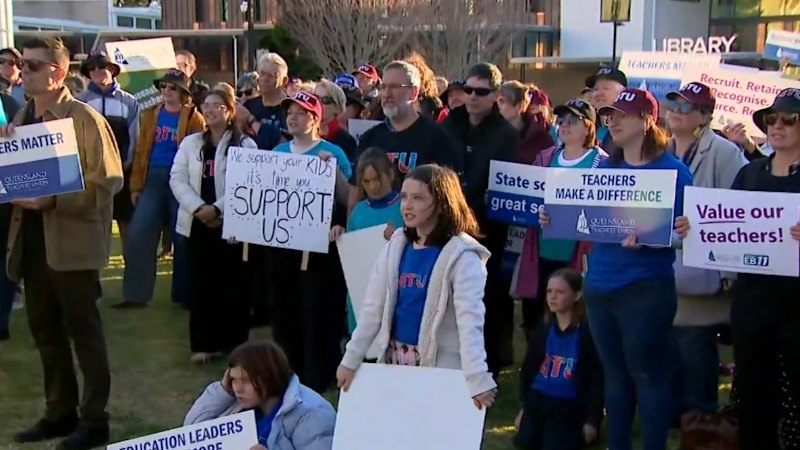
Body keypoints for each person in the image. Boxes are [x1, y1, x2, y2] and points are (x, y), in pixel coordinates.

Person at [544, 88, 691, 450]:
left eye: (623, 116)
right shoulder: (606, 168)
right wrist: (552, 217)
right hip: (600, 284)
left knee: (647, 374)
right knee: (614, 373)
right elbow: (581, 218)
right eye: (610, 115)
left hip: (646, 288)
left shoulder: (673, 170)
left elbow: (688, 234)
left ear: (647, 121)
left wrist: (656, 238)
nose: (613, 122)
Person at [2, 36, 123, 450]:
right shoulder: (22, 116)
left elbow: (107, 182)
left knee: (84, 334)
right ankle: (59, 413)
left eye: (32, 66)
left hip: (72, 244)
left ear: (56, 73)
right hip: (31, 240)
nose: (23, 72)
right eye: (22, 64)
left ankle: (95, 421)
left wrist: (53, 199)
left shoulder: (84, 119)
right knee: (45, 332)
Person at [337, 164, 498, 409]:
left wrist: (477, 377)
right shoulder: (396, 246)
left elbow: (470, 321)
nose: (407, 205)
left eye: (418, 198)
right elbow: (372, 310)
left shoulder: (463, 256)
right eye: (404, 197)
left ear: (442, 203)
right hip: (394, 362)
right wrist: (350, 360)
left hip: (440, 367)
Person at [720, 87, 800, 449]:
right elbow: (723, 222)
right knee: (754, 396)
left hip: (796, 306)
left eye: (789, 119)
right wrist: (697, 229)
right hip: (752, 302)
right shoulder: (750, 174)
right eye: (771, 119)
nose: (777, 125)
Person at [663, 82, 746, 417]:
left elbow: (737, 211)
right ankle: (675, 413)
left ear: (705, 116)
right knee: (670, 345)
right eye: (673, 105)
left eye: (686, 107)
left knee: (695, 344)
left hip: (703, 270)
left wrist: (729, 272)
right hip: (665, 266)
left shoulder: (724, 153)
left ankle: (700, 414)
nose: (676, 112)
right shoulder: (662, 149)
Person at [267, 91, 351, 393]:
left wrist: (334, 172)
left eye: (299, 113)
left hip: (319, 249)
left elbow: (348, 198)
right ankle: (289, 371)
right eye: (289, 112)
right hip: (283, 248)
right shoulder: (277, 152)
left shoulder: (333, 152)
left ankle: (319, 373)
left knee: (318, 310)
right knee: (285, 310)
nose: (292, 118)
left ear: (315, 119)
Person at [441, 62, 519, 379]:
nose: (472, 96)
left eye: (481, 92)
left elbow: (502, 183)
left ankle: (490, 363)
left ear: (496, 95)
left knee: (487, 297)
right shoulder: (450, 124)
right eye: (468, 89)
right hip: (449, 222)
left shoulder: (506, 134)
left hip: (487, 229)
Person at [170, 89, 257, 363]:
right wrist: (198, 208)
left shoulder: (246, 146)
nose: (208, 110)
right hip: (196, 223)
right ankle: (204, 344)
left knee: (233, 285)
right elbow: (177, 178)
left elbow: (247, 184)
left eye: (216, 105)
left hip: (231, 225)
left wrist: (217, 209)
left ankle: (234, 345)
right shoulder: (191, 143)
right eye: (205, 105)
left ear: (229, 111)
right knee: (201, 284)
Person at [513, 98, 605, 333]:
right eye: (561, 119)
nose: (563, 125)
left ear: (588, 127)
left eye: (572, 120)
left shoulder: (602, 164)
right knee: (536, 318)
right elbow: (529, 198)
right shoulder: (546, 157)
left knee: (573, 318)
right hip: (541, 251)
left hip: (578, 255)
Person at [120, 68, 205, 308]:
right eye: (163, 87)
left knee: (183, 238)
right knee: (138, 234)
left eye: (172, 88)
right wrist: (136, 185)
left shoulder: (194, 118)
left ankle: (184, 295)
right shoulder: (149, 114)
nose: (166, 91)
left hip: (182, 180)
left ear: (183, 93)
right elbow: (140, 152)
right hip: (153, 179)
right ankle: (136, 295)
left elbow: (198, 155)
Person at [184, 341, 336, 450]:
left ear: (269, 377)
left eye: (246, 380)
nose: (238, 389)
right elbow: (191, 435)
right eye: (234, 379)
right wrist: (222, 391)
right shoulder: (236, 400)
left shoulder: (312, 414)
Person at [514, 269, 604, 450]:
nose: (553, 297)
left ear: (577, 295)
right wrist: (524, 407)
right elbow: (529, 369)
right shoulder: (543, 329)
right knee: (526, 442)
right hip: (539, 396)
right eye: (549, 291)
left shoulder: (588, 332)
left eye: (560, 292)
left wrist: (592, 420)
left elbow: (596, 377)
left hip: (567, 401)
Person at [352, 60, 461, 209]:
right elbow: (356, 188)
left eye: (394, 87)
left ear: (413, 93)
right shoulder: (370, 138)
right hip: (376, 221)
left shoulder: (437, 138)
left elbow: (450, 195)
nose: (387, 94)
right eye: (383, 87)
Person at [330, 148, 403, 333]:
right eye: (366, 181)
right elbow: (353, 255)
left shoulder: (404, 208)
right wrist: (341, 234)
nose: (373, 187)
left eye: (377, 179)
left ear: (391, 174)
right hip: (363, 297)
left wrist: (400, 236)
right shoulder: (358, 211)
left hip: (396, 296)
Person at [75, 51, 140, 259]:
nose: (97, 71)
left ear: (112, 70)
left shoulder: (129, 101)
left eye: (102, 66)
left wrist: (125, 164)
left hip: (121, 172)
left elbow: (134, 136)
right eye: (92, 68)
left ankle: (132, 273)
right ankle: (93, 274)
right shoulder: (80, 102)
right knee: (92, 227)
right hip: (90, 175)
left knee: (126, 225)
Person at [238, 52, 289, 150]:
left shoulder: (292, 108)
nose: (265, 79)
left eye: (272, 75)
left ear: (284, 81)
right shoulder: (248, 106)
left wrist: (251, 120)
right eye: (262, 74)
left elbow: (288, 142)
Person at [497, 80, 555, 164]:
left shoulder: (541, 139)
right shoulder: (491, 134)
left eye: (502, 101)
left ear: (520, 105)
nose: (498, 106)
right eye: (496, 102)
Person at [314, 79, 357, 171]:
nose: (318, 103)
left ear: (338, 108)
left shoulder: (346, 141)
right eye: (315, 98)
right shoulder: (300, 133)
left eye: (325, 100)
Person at [586, 67, 627, 153]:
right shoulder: (585, 123)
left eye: (606, 88)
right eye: (595, 89)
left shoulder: (630, 127)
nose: (598, 93)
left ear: (622, 92)